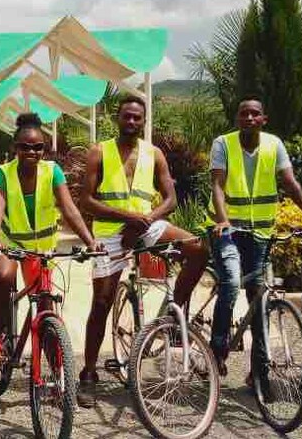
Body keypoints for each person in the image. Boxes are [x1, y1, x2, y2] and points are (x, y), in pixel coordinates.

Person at [77, 94, 210, 408]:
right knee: (101, 302)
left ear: (144, 120)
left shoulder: (154, 154)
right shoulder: (100, 151)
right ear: (117, 118)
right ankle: (88, 373)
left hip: (147, 226)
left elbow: (170, 199)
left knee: (197, 249)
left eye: (138, 117)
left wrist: (146, 219)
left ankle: (171, 314)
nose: (132, 122)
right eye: (127, 116)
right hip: (111, 232)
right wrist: (129, 219)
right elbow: (87, 201)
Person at [207, 96, 302, 386]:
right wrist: (222, 220)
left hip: (260, 233)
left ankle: (260, 373)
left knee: (259, 300)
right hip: (227, 231)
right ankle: (217, 348)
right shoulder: (223, 143)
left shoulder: (274, 145)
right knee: (232, 282)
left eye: (254, 114)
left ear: (263, 119)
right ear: (237, 119)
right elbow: (218, 185)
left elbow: (291, 184)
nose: (249, 118)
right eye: (243, 113)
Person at [0, 113, 104, 357]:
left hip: (41, 249)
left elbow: (69, 209)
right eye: (25, 147)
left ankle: (58, 375)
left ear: (44, 149)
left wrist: (90, 241)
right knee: (5, 276)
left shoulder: (52, 171)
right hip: (8, 243)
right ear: (15, 148)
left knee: (45, 305)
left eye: (38, 147)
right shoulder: (3, 174)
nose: (32, 152)